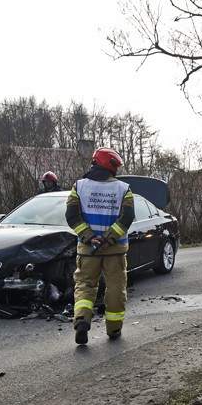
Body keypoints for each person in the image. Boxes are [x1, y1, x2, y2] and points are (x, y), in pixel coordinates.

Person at [65, 148, 135, 345]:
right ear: (112, 166)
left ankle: (81, 322)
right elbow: (127, 218)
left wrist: (90, 237)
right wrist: (108, 239)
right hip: (116, 249)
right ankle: (113, 330)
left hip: (88, 250)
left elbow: (72, 216)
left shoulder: (78, 187)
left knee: (85, 286)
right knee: (115, 288)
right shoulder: (124, 189)